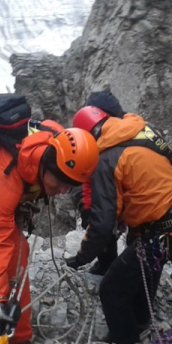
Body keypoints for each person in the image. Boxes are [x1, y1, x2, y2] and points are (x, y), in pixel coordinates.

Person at [65, 107, 172, 344]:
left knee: (111, 290)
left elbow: (103, 226)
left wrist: (81, 257)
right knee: (145, 267)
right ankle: (141, 319)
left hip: (157, 228)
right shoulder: (139, 129)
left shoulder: (105, 159)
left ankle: (124, 343)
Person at [0, 120, 99, 344]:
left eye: (69, 186)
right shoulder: (5, 178)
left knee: (14, 246)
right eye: (59, 182)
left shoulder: (55, 145)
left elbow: (49, 125)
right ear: (48, 164)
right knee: (15, 249)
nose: (62, 191)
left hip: (5, 189)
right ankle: (18, 340)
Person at [71, 90, 127, 275]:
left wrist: (81, 258)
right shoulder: (132, 133)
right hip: (168, 212)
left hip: (150, 224)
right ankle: (107, 260)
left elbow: (103, 218)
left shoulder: (108, 151)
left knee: (113, 291)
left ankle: (108, 263)